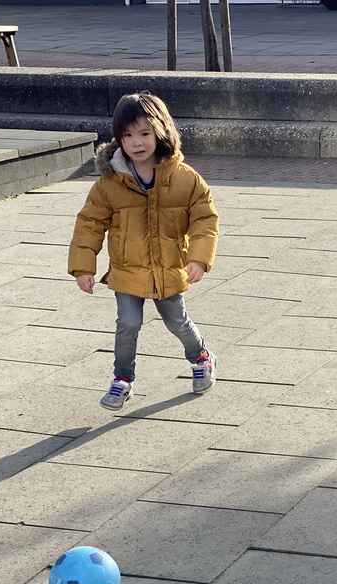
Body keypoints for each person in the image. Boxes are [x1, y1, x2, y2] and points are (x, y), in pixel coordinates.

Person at [68, 91, 219, 410]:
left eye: (145, 133)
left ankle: (202, 357)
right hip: (127, 270)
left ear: (161, 131)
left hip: (168, 269)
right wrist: (84, 267)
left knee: (176, 321)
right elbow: (90, 223)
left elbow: (204, 217)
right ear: (118, 139)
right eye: (128, 135)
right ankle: (122, 380)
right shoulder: (110, 183)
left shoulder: (184, 179)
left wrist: (199, 259)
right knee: (128, 323)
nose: (137, 142)